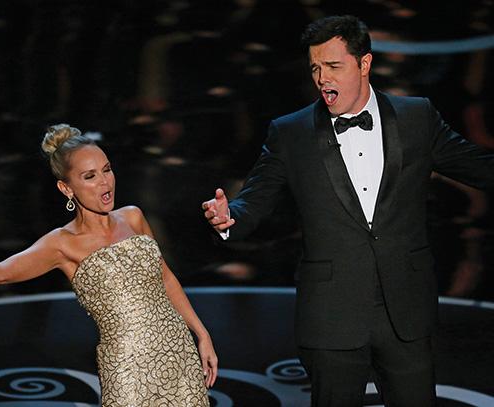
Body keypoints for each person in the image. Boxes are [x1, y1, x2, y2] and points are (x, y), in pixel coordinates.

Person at [202, 15, 494, 407]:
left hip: (405, 311)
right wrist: (228, 217)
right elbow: (255, 199)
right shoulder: (291, 132)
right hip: (331, 316)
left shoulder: (416, 118)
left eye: (334, 66)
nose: (322, 78)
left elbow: (478, 167)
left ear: (365, 64)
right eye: (315, 68)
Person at [0, 123, 217, 407]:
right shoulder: (60, 243)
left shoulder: (133, 216)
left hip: (180, 354)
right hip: (128, 369)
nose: (104, 183)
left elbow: (166, 278)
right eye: (89, 176)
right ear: (66, 188)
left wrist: (201, 334)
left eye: (107, 170)